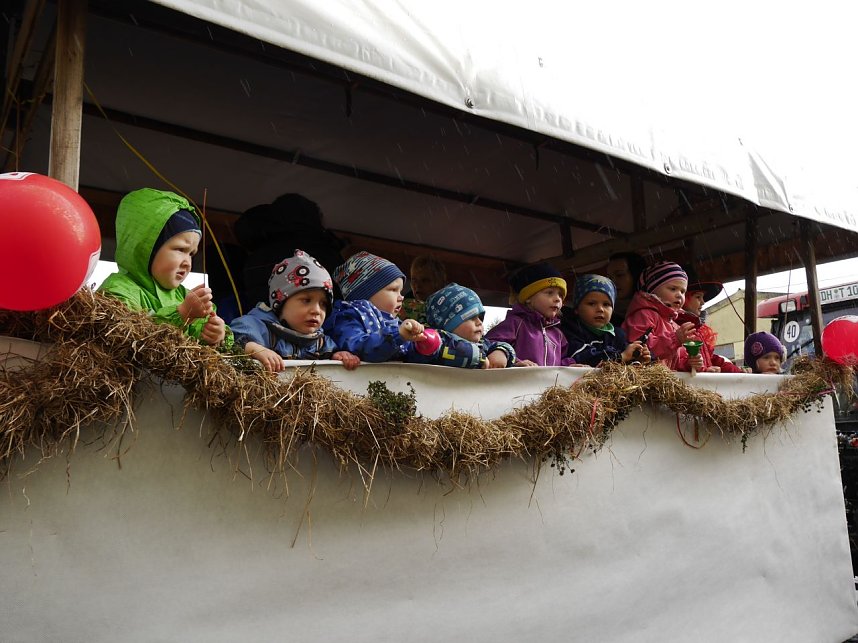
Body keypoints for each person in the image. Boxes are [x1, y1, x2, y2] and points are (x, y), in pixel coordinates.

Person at [99, 188, 227, 346]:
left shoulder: (183, 296)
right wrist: (182, 314)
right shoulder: (118, 290)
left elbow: (200, 343)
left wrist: (215, 334)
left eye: (191, 254)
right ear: (146, 248)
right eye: (180, 250)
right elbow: (131, 338)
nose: (187, 262)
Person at [229, 250, 360, 372]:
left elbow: (331, 356)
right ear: (280, 304)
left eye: (323, 304)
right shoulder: (259, 326)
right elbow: (230, 338)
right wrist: (254, 348)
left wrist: (338, 355)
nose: (317, 311)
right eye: (306, 300)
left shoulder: (321, 343)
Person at [234, 193, 345, 306]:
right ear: (312, 217)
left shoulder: (256, 258)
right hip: (321, 321)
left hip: (261, 320)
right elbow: (341, 296)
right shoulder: (325, 252)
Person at [323, 251, 433, 362]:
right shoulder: (348, 317)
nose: (401, 297)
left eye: (400, 291)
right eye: (394, 290)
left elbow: (410, 354)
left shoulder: (396, 324)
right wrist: (398, 335)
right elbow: (361, 347)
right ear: (366, 293)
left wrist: (425, 344)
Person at [485, 262, 574, 366]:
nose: (557, 299)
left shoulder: (558, 334)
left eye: (560, 295)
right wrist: (515, 362)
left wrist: (570, 365)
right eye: (549, 292)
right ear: (528, 297)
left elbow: (562, 359)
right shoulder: (515, 323)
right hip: (520, 381)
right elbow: (489, 344)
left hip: (550, 382)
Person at [621, 261, 702, 372]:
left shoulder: (675, 325)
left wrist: (690, 363)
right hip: (645, 382)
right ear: (652, 289)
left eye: (683, 291)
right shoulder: (643, 314)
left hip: (664, 384)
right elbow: (642, 349)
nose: (679, 295)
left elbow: (677, 360)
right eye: (673, 289)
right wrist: (675, 339)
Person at [563, 274, 651, 367]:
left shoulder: (617, 335)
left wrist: (637, 359)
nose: (600, 309)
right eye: (592, 303)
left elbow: (626, 362)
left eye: (606, 304)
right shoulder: (572, 331)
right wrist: (620, 357)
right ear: (577, 308)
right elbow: (586, 358)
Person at [422, 283, 516, 368]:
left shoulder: (483, 344)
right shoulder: (432, 344)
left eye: (480, 317)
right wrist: (479, 359)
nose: (479, 322)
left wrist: (502, 352)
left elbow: (500, 345)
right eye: (471, 317)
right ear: (448, 324)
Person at [676, 273, 742, 373]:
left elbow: (710, 359)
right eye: (698, 297)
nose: (703, 302)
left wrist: (738, 372)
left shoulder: (697, 330)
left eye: (703, 297)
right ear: (683, 299)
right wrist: (704, 370)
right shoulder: (676, 329)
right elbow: (676, 361)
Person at [400, 255, 447, 324]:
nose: (418, 285)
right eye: (414, 280)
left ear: (439, 283)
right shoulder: (402, 307)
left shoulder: (447, 307)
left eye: (425, 280)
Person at [606, 251, 647, 326]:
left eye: (619, 275)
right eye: (610, 277)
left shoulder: (658, 308)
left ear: (636, 275)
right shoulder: (606, 319)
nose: (613, 282)